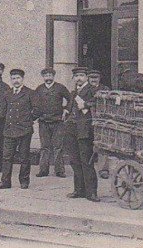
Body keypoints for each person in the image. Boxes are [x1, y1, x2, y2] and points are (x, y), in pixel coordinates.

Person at [0, 68, 40, 190]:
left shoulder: (30, 93)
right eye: (13, 78)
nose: (16, 81)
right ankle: (5, 182)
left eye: (18, 78)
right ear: (11, 80)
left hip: (24, 130)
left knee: (24, 157)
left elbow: (38, 110)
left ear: (22, 79)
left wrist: (28, 120)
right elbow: (3, 110)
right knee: (7, 157)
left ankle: (24, 181)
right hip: (9, 130)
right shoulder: (7, 93)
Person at [64, 66, 99, 202]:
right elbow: (70, 106)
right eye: (76, 76)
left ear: (86, 77)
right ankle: (79, 190)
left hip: (84, 130)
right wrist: (66, 111)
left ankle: (91, 192)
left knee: (86, 161)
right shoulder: (73, 93)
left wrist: (86, 105)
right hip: (72, 129)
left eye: (81, 75)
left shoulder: (92, 90)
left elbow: (98, 102)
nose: (78, 78)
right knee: (75, 161)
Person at [33, 67, 72, 178]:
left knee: (58, 147)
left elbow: (70, 99)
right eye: (46, 76)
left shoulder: (60, 88)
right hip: (43, 122)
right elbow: (35, 103)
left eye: (50, 75)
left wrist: (66, 110)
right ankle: (43, 170)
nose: (48, 78)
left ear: (53, 76)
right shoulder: (39, 89)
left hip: (58, 122)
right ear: (43, 77)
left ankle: (59, 171)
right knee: (44, 147)